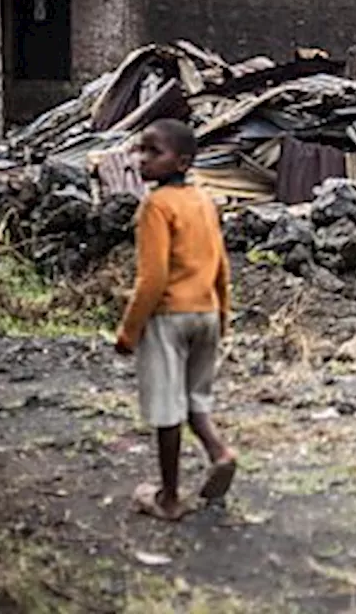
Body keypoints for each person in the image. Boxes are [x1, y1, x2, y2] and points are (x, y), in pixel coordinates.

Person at [114, 118, 236, 520]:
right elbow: (220, 262)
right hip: (205, 314)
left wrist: (129, 331)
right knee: (194, 399)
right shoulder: (203, 200)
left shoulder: (156, 206)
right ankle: (219, 453)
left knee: (167, 408)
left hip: (169, 317)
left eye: (154, 152)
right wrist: (222, 314)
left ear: (182, 161)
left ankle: (168, 497)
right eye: (140, 150)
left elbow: (152, 278)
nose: (142, 159)